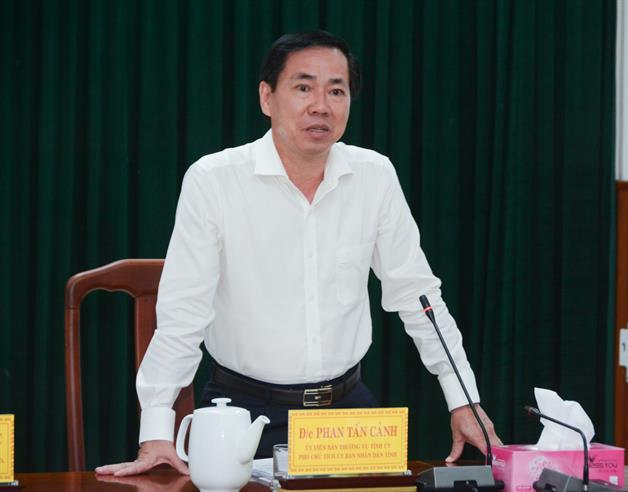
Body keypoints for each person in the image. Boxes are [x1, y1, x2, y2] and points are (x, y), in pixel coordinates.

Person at [96, 30, 501, 478]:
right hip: (243, 415)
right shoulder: (214, 180)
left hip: (347, 419)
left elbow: (417, 295)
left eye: (336, 91)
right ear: (267, 97)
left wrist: (464, 399)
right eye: (304, 87)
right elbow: (183, 314)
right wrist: (156, 430)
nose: (321, 106)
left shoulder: (374, 176)